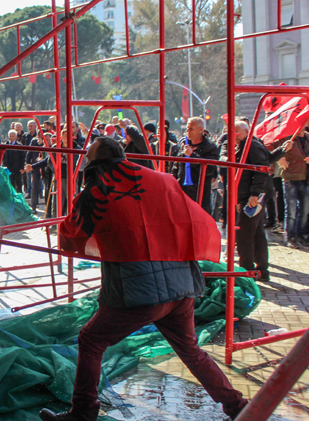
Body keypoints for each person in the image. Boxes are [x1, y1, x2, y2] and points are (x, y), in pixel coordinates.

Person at [43, 136, 248, 421]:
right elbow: (195, 218)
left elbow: (70, 236)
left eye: (88, 158)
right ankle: (238, 406)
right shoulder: (164, 180)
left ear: (96, 162)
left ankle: (83, 411)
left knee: (91, 340)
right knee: (190, 350)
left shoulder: (97, 191)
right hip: (181, 287)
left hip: (137, 293)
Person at [222, 120, 271, 281]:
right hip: (244, 195)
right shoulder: (239, 147)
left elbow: (261, 170)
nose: (233, 135)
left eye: (237, 132)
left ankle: (247, 270)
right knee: (256, 233)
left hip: (250, 197)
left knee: (244, 234)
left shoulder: (252, 146)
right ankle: (261, 269)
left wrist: (255, 194)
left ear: (245, 132)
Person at [273, 121, 309, 248]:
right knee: (291, 210)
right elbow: (271, 148)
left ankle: (300, 235)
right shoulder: (287, 139)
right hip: (291, 177)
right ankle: (290, 236)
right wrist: (280, 158)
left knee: (304, 210)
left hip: (306, 177)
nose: (300, 128)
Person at [171, 117, 219, 213]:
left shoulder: (210, 147)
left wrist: (192, 156)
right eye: (187, 128)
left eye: (191, 129)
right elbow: (176, 167)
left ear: (200, 130)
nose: (187, 131)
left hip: (199, 195)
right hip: (182, 193)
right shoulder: (184, 145)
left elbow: (209, 170)